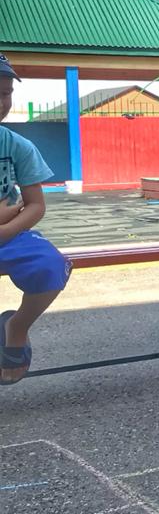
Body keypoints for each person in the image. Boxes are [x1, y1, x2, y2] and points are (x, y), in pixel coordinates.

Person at [0, 53, 71, 385]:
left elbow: (35, 205)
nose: (0, 102)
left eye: (5, 93)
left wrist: (7, 228)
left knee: (52, 265)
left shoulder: (17, 146)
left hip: (7, 232)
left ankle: (16, 326)